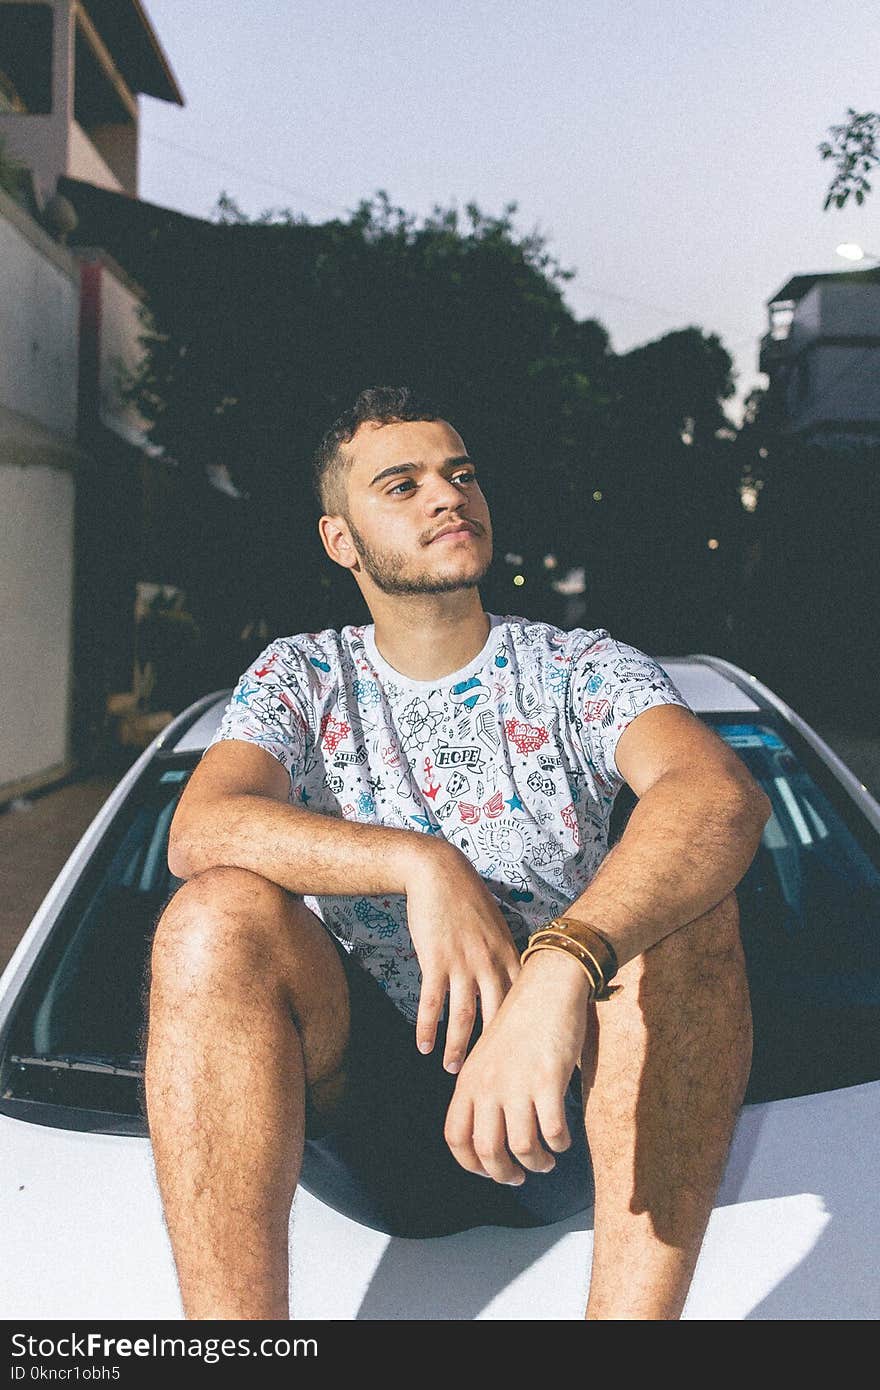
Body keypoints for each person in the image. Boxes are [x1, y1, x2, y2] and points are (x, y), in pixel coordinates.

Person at [145, 386, 770, 1321]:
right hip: (359, 1116)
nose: (448, 496)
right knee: (215, 913)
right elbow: (200, 827)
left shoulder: (579, 669)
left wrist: (562, 963)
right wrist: (420, 863)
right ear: (341, 541)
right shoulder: (303, 677)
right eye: (403, 484)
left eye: (461, 474)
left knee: (689, 915)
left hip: (575, 1115)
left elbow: (718, 795)